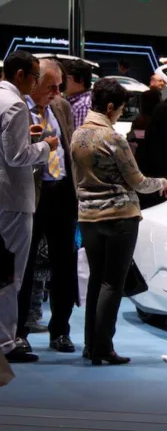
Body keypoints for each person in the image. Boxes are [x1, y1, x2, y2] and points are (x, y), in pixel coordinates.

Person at [71, 78, 167, 365]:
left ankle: (91, 345)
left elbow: (75, 180)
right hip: (119, 218)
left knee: (96, 279)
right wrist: (163, 183)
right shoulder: (113, 138)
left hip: (88, 217)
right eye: (119, 110)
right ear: (109, 107)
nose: (120, 114)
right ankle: (104, 348)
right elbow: (138, 181)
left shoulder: (77, 135)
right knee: (112, 283)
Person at [17, 58, 79, 355]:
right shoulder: (17, 108)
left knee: (64, 267)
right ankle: (19, 333)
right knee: (24, 268)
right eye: (50, 86)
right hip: (30, 195)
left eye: (59, 86)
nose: (57, 92)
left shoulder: (62, 107)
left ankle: (61, 331)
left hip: (62, 194)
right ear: (34, 82)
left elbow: (68, 148)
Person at [0, 51, 55, 363]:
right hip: (14, 200)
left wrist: (26, 137)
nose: (36, 82)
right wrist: (45, 147)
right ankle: (6, 344)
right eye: (35, 76)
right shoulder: (17, 104)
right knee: (10, 274)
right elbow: (17, 157)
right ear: (19, 75)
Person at [64, 59, 93, 129]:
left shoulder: (83, 106)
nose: (62, 81)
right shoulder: (72, 101)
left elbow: (81, 138)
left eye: (66, 78)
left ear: (81, 80)